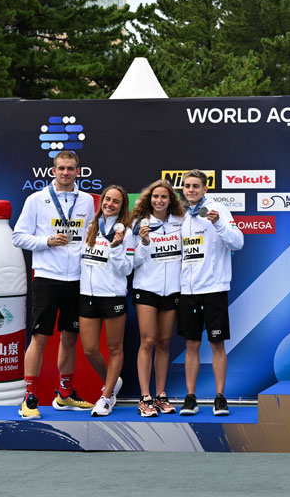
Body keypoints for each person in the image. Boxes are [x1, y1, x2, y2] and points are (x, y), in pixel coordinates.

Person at [12, 150, 96, 419]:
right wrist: (46, 241)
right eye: (61, 168)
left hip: (78, 279)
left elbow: (90, 235)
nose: (65, 173)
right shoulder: (37, 200)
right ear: (53, 171)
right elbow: (18, 237)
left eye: (70, 168)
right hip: (48, 277)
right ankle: (29, 397)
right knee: (40, 338)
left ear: (78, 172)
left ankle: (65, 393)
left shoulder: (86, 201)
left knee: (70, 338)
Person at [178, 169, 244, 416]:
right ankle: (190, 397)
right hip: (188, 290)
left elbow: (238, 242)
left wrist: (218, 224)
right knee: (191, 344)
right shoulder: (181, 215)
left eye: (196, 186)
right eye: (187, 186)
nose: (191, 190)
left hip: (215, 288)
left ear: (206, 189)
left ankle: (220, 397)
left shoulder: (218, 209)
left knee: (217, 344)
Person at [131, 180, 185, 416]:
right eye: (155, 197)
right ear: (149, 199)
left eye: (164, 197)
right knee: (148, 340)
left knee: (164, 342)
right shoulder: (138, 224)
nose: (159, 201)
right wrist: (143, 242)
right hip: (146, 288)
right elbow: (131, 262)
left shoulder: (181, 223)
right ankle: (145, 398)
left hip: (172, 290)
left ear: (170, 200)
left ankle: (161, 395)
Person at [79, 184, 133, 417]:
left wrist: (117, 247)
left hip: (112, 296)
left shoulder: (127, 232)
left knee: (115, 348)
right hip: (87, 294)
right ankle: (112, 382)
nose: (110, 204)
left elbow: (127, 269)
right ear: (102, 201)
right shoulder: (91, 226)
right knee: (90, 349)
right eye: (107, 199)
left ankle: (106, 395)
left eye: (116, 201)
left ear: (122, 207)